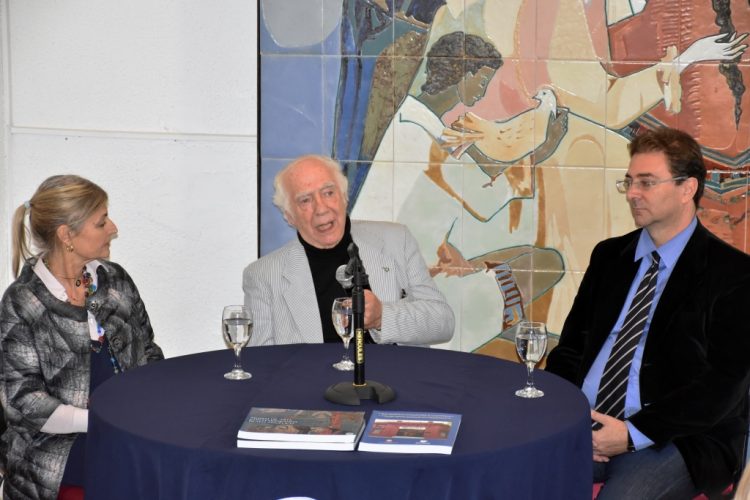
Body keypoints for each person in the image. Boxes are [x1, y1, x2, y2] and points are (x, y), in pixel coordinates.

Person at [545, 127, 750, 498]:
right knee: (511, 470)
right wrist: (565, 416)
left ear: (687, 188)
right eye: (629, 182)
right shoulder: (609, 257)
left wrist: (630, 434)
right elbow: (571, 349)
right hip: (587, 421)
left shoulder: (733, 273)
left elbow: (724, 385)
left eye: (647, 182)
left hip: (678, 438)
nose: (632, 194)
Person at [0, 175, 164, 500]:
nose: (113, 228)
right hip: (53, 454)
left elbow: (148, 351)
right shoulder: (23, 302)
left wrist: (152, 407)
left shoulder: (115, 280)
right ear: (67, 235)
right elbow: (23, 401)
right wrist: (98, 421)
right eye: (101, 222)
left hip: (125, 436)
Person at [243, 154, 454, 346]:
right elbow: (261, 362)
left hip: (393, 375)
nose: (321, 208)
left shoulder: (397, 240)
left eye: (328, 193)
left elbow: (443, 322)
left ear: (344, 197)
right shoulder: (263, 275)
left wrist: (382, 317)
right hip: (312, 377)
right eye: (305, 200)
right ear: (289, 216)